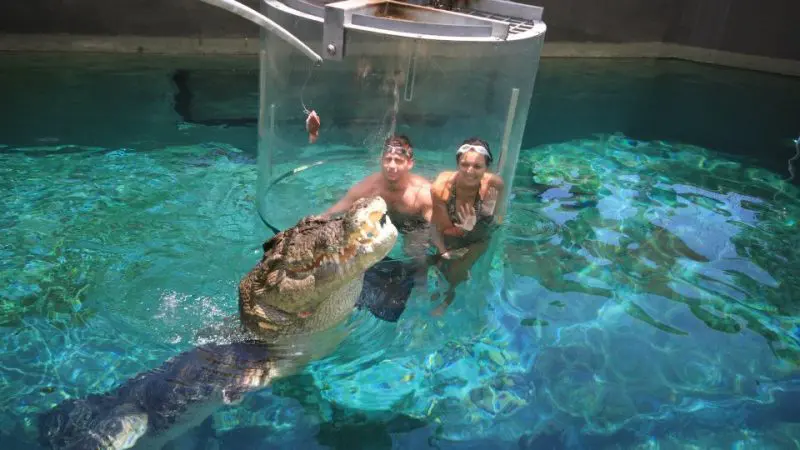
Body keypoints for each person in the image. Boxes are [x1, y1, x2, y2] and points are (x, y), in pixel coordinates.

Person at [322, 134, 433, 258]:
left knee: (414, 253)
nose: (391, 166)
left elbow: (438, 225)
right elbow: (336, 210)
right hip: (381, 221)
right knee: (364, 250)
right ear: (381, 160)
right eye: (388, 159)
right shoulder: (370, 186)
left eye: (398, 161)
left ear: (409, 164)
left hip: (415, 226)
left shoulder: (422, 193)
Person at [429, 137, 505, 315]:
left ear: (486, 169)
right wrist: (444, 249)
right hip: (448, 232)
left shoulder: (494, 185)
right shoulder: (441, 188)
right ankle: (447, 286)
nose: (470, 171)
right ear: (457, 164)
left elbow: (496, 222)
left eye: (477, 167)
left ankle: (450, 296)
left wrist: (486, 215)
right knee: (440, 268)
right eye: (464, 164)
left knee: (455, 272)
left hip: (479, 234)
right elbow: (440, 228)